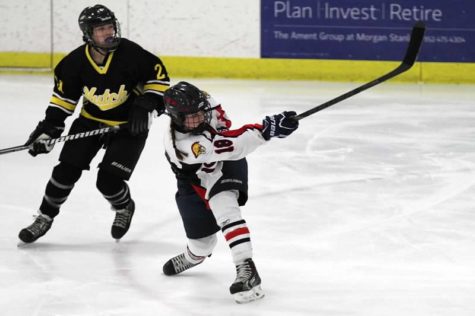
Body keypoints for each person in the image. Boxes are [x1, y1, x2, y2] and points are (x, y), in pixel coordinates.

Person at [18, 4, 170, 243]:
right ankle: (44, 218)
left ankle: (124, 207)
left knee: (108, 181)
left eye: (110, 26)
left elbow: (159, 81)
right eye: (101, 29)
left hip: (128, 126)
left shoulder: (132, 54)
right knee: (64, 172)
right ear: (88, 33)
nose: (108, 32)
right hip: (90, 122)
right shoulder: (74, 63)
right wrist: (48, 130)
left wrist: (146, 104)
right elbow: (63, 102)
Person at [161, 81, 299, 303]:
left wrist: (265, 131)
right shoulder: (182, 146)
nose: (199, 118)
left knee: (225, 207)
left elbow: (224, 129)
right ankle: (192, 256)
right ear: (177, 118)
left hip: (225, 163)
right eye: (191, 117)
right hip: (194, 180)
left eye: (200, 112)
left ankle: (246, 269)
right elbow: (230, 144)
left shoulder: (204, 102)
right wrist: (265, 131)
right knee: (202, 244)